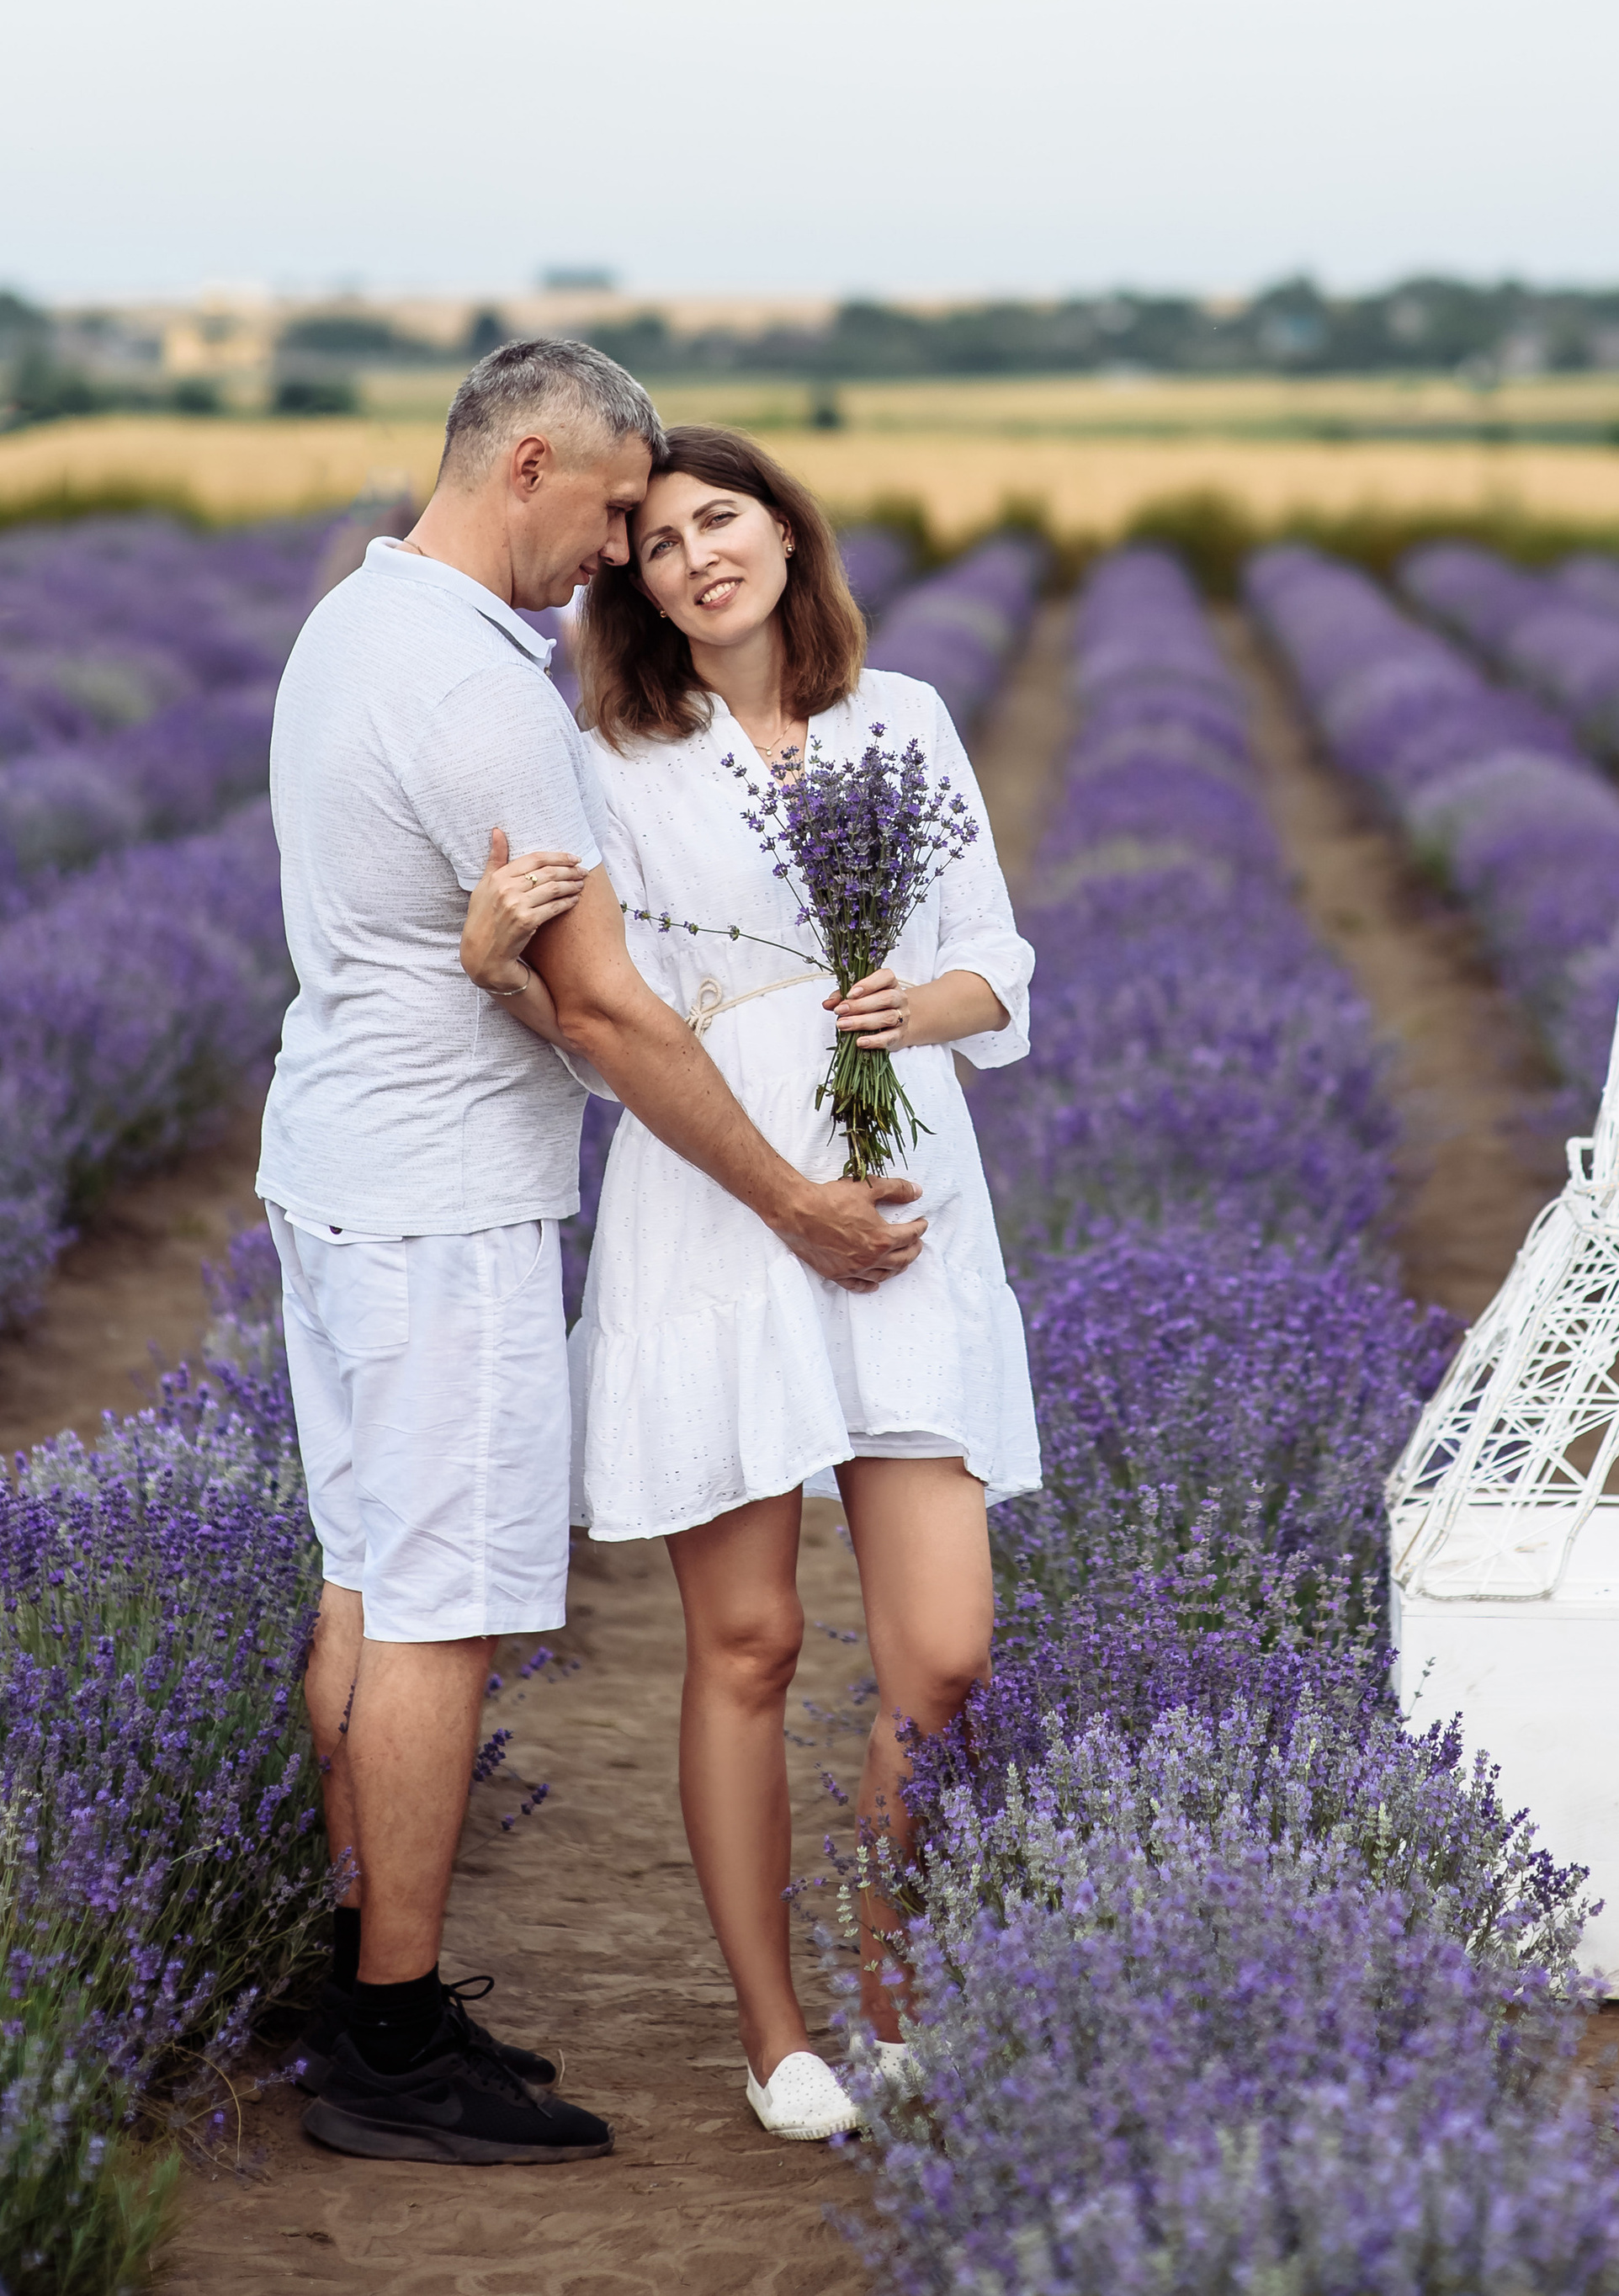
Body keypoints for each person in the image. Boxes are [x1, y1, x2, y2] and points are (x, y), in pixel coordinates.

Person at [264, 348, 926, 2171]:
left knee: (364, 1579)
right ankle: (391, 2041)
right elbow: (614, 1013)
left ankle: (358, 1983)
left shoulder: (357, 623)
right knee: (441, 1606)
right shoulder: (481, 690)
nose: (620, 549)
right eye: (617, 510)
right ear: (532, 462)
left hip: (340, 1161)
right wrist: (790, 1199)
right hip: (441, 1195)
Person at [459, 426, 1037, 2143]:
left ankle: (884, 1985)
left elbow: (994, 951)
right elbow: (590, 1022)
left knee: (940, 1651)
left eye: (723, 517)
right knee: (750, 1640)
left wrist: (918, 1008)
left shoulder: (906, 716)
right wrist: (497, 965)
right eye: (654, 542)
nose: (697, 553)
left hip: (904, 1182)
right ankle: (779, 2033)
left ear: (787, 529)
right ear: (631, 587)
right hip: (720, 1195)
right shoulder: (607, 761)